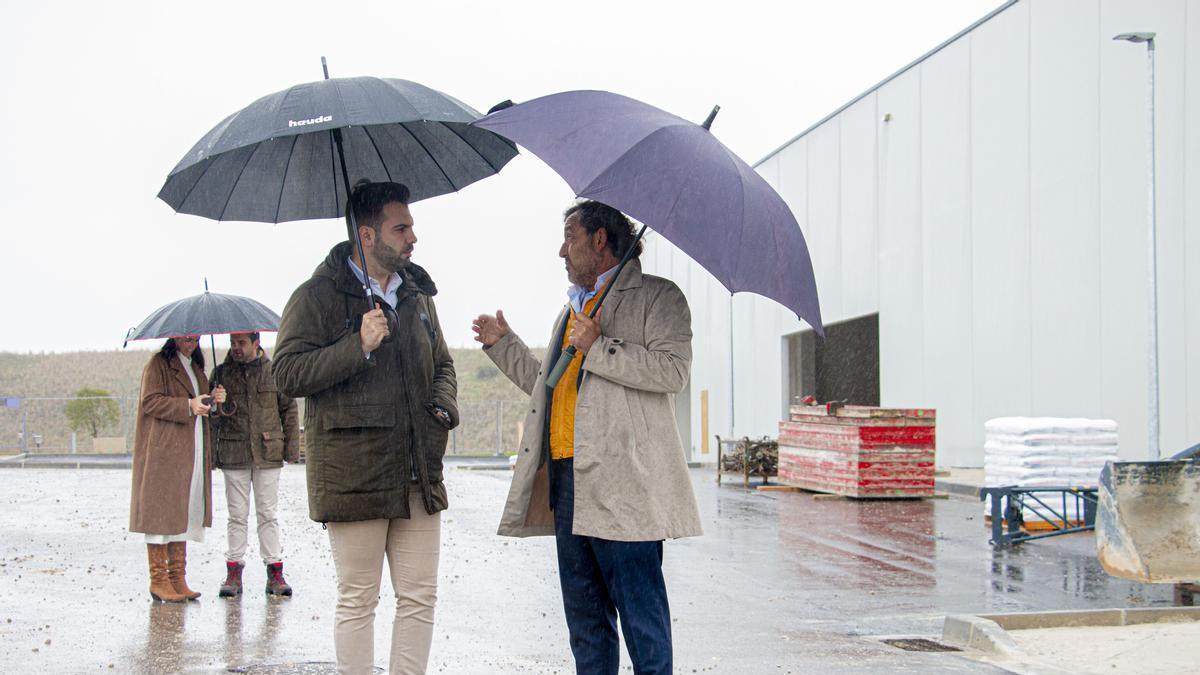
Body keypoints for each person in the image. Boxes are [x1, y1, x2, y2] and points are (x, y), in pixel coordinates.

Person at [472, 200, 702, 675]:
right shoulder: (574, 310)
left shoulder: (658, 298)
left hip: (625, 487)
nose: (562, 251)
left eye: (570, 238)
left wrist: (599, 346)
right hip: (567, 480)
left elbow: (672, 371)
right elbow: (549, 383)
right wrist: (503, 345)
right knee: (587, 624)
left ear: (600, 240)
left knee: (642, 619)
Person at [274, 180, 458, 675]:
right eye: (402, 228)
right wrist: (356, 345)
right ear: (368, 235)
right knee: (358, 598)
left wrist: (441, 410)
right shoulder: (315, 296)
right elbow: (286, 373)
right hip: (354, 474)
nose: (413, 237)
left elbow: (443, 364)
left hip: (418, 471)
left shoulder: (417, 294)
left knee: (419, 597)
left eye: (411, 227)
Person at [129, 336, 227, 603]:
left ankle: (177, 577)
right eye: (186, 337)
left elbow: (201, 406)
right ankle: (159, 580)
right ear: (174, 336)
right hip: (165, 451)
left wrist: (214, 400)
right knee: (162, 513)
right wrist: (187, 405)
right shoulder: (158, 365)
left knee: (183, 511)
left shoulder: (195, 367)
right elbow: (150, 401)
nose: (191, 342)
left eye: (195, 337)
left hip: (191, 448)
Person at [211, 331, 300, 598]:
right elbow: (211, 419)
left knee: (268, 514)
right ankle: (233, 572)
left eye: (241, 343)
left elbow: (289, 409)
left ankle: (275, 572)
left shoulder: (274, 371)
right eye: (232, 343)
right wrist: (215, 403)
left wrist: (291, 448)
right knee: (236, 515)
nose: (236, 348)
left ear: (256, 343)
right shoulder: (220, 374)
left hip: (267, 453)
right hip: (234, 453)